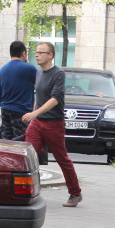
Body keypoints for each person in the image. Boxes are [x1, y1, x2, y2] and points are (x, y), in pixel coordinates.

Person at [22, 42, 81, 207]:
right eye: (36, 52)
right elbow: (39, 97)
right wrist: (34, 116)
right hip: (38, 123)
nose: (37, 55)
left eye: (41, 52)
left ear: (50, 55)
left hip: (54, 124)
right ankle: (28, 191)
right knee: (27, 155)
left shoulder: (58, 74)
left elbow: (55, 99)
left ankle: (75, 193)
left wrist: (34, 113)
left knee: (62, 158)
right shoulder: (39, 73)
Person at [0, 40, 35, 141]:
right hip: (22, 112)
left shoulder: (2, 70)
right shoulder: (29, 68)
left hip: (5, 111)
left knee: (6, 141)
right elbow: (40, 85)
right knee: (20, 141)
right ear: (23, 53)